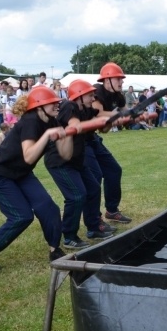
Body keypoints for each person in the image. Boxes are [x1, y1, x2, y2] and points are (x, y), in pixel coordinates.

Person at [0, 86, 72, 273]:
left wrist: (67, 136)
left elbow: (65, 155)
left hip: (21, 173)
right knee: (21, 216)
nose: (57, 104)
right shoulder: (30, 121)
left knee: (48, 208)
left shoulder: (51, 121)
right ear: (40, 106)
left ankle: (55, 250)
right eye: (52, 102)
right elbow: (29, 156)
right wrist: (47, 136)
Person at [46, 79, 115, 250]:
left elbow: (102, 122)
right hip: (60, 161)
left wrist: (121, 117)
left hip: (77, 160)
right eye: (90, 95)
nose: (93, 98)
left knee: (93, 188)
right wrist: (99, 121)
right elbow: (74, 124)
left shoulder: (86, 110)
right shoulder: (69, 106)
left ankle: (93, 227)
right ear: (80, 96)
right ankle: (69, 236)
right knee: (77, 195)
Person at [89, 62, 133, 224]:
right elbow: (98, 114)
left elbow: (125, 113)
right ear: (107, 80)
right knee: (94, 178)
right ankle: (94, 220)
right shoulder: (96, 92)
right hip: (78, 141)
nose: (121, 82)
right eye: (118, 79)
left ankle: (112, 210)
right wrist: (119, 116)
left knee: (114, 170)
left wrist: (134, 115)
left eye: (121, 79)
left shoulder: (118, 96)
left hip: (92, 137)